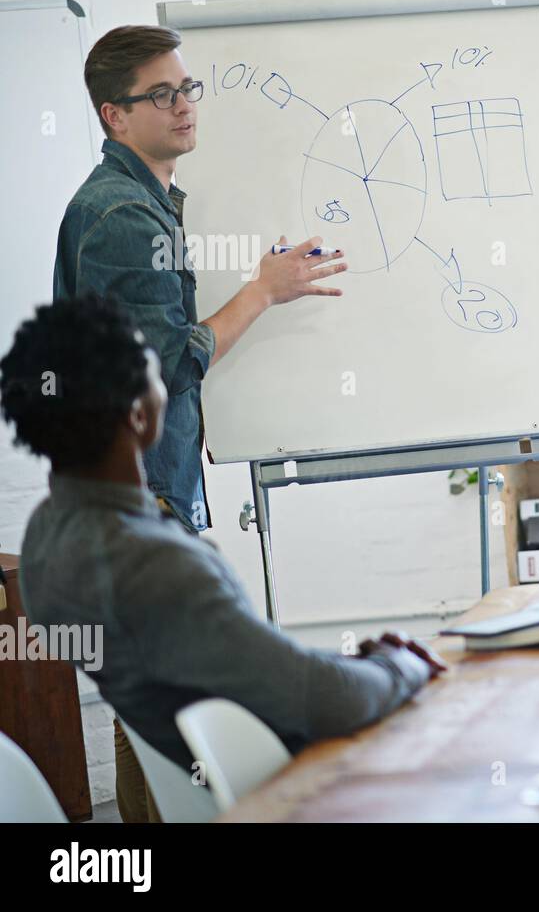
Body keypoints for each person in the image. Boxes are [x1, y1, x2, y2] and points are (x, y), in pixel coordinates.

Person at [0, 296, 442, 822]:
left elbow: (266, 671)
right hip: (285, 792)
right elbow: (326, 701)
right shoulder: (155, 564)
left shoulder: (48, 538)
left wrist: (355, 668)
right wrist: (402, 665)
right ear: (138, 415)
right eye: (156, 371)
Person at [56, 24, 346, 533]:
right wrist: (263, 291)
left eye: (187, 89)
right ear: (115, 115)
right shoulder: (124, 214)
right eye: (162, 95)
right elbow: (171, 365)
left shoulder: (140, 201)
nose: (184, 106)